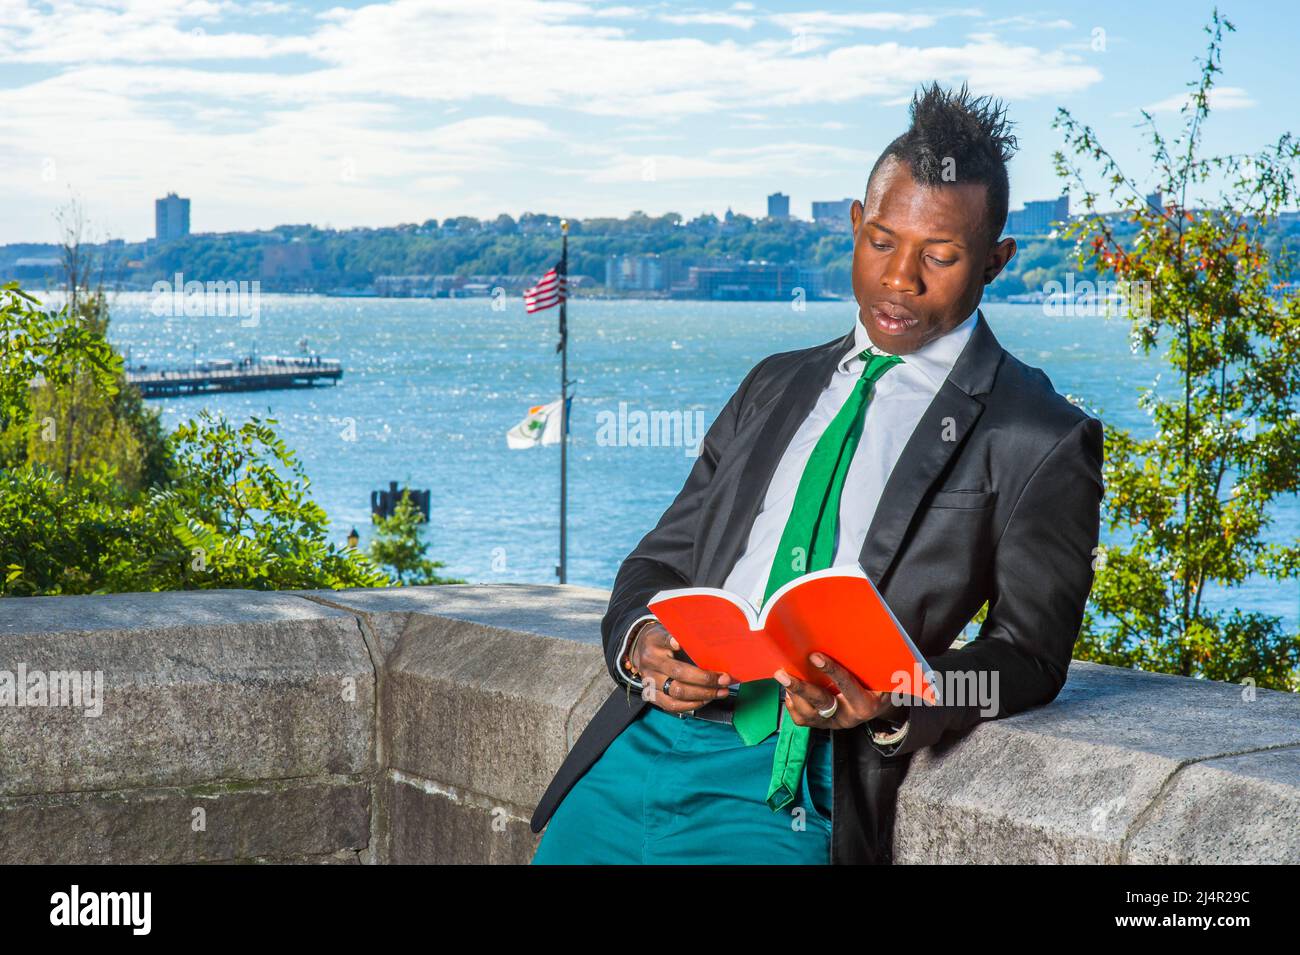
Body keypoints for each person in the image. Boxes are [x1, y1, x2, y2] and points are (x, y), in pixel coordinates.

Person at [530, 81, 1104, 865]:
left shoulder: (1039, 434)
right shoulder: (774, 382)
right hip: (638, 754)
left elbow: (1030, 659)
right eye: (881, 243)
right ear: (854, 225)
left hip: (795, 792)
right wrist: (642, 640)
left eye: (940, 256)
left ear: (996, 260)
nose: (900, 279)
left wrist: (901, 697)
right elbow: (660, 560)